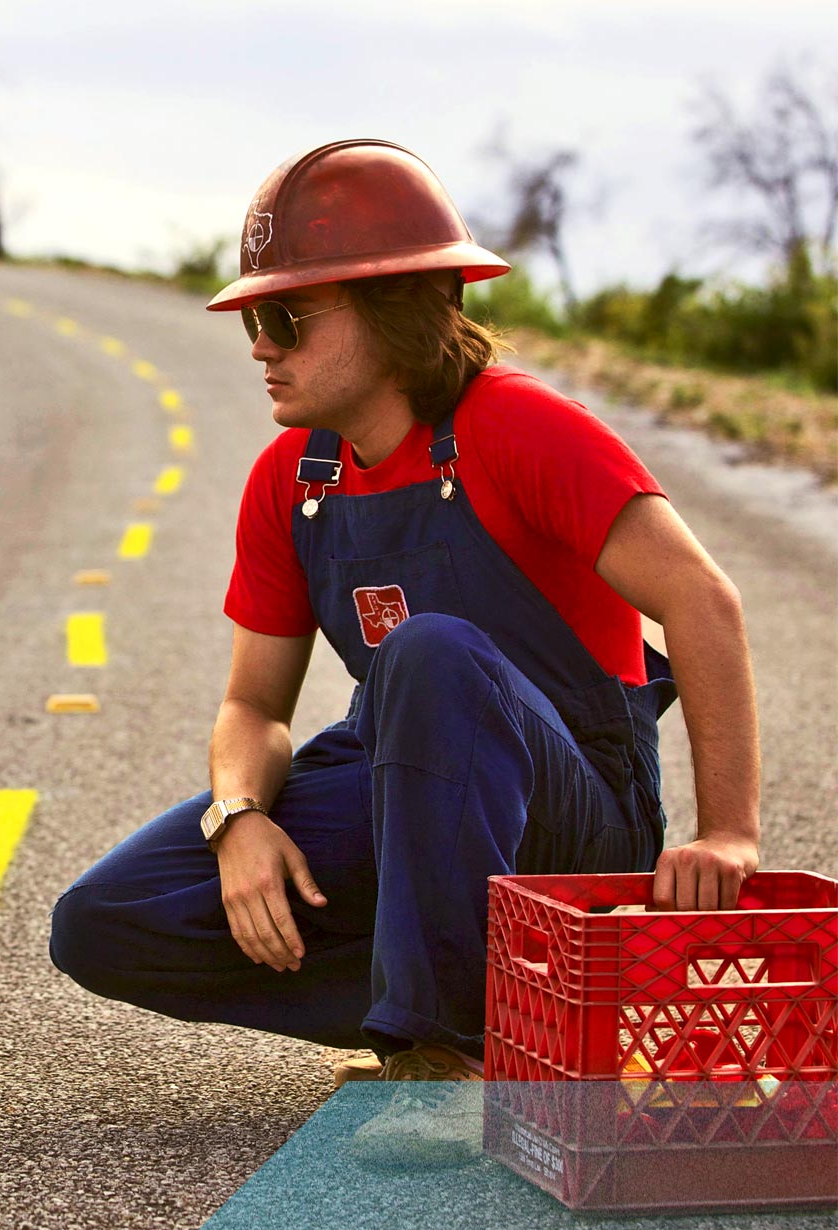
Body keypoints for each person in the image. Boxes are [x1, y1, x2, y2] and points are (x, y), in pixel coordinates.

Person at [49, 140, 760, 1118]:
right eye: (256, 318)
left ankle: (439, 1051)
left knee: (429, 650)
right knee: (104, 920)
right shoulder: (293, 478)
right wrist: (239, 817)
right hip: (410, 776)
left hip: (578, 809)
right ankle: (504, 1005)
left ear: (392, 313)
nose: (260, 345)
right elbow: (252, 705)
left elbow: (704, 602)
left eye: (285, 317)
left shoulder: (519, 429)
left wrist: (727, 833)